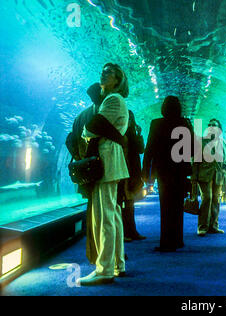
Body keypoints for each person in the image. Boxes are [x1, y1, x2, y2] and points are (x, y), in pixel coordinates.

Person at [77, 63, 130, 285]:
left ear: (118, 80)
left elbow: (89, 128)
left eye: (109, 72)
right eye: (103, 70)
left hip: (107, 160)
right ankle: (117, 263)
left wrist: (90, 130)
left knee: (104, 216)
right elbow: (94, 127)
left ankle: (104, 269)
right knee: (113, 214)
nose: (103, 73)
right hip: (110, 159)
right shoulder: (110, 100)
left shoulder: (113, 100)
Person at [142, 96, 194, 252]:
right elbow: (192, 148)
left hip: (164, 171)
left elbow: (149, 148)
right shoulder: (185, 123)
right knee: (178, 206)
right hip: (180, 171)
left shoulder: (156, 123)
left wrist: (146, 170)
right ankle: (178, 240)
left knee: (166, 206)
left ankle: (166, 242)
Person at [65, 82, 103, 264]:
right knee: (105, 212)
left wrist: (79, 159)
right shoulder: (102, 113)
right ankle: (102, 253)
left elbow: (69, 140)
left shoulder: (80, 116)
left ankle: (93, 253)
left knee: (92, 211)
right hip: (101, 169)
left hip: (85, 170)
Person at [192, 119, 226, 237]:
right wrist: (194, 177)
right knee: (207, 198)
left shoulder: (223, 143)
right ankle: (202, 227)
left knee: (215, 200)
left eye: (214, 125)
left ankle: (213, 226)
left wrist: (225, 168)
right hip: (204, 174)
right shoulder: (201, 142)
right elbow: (195, 160)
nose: (211, 126)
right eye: (209, 125)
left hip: (218, 175)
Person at [119, 110, 146, 242]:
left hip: (132, 171)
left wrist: (139, 134)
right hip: (122, 171)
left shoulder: (132, 133)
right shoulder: (119, 132)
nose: (128, 121)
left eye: (130, 119)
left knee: (130, 203)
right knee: (123, 203)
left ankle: (132, 231)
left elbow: (141, 149)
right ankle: (124, 232)